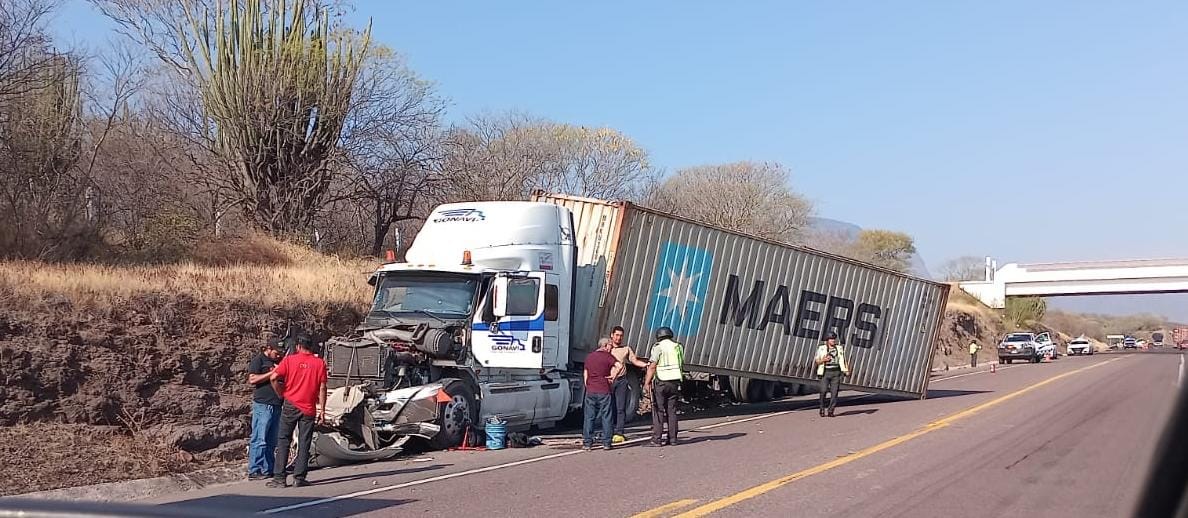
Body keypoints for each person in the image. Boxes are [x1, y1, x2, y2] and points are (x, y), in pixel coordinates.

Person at [266, 333, 327, 488]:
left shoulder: (289, 360)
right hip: (308, 408)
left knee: (284, 440)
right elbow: (322, 387)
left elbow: (274, 377)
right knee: (304, 442)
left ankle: (279, 477)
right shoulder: (319, 363)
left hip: (290, 404)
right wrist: (322, 410)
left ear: (298, 346)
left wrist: (280, 393)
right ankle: (299, 478)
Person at [246, 339, 284, 480]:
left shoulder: (280, 361)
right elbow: (253, 379)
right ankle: (254, 469)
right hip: (263, 404)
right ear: (268, 348)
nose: (278, 355)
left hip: (277, 403)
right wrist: (272, 373)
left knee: (272, 440)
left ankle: (268, 468)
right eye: (276, 352)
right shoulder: (259, 360)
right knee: (259, 438)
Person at [608, 325, 649, 443]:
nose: (618, 338)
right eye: (616, 335)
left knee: (621, 407)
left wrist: (646, 365)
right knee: (609, 407)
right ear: (612, 335)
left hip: (621, 381)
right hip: (608, 380)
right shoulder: (607, 348)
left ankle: (619, 431)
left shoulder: (626, 349)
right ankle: (608, 431)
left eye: (621, 336)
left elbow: (634, 361)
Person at [644, 327, 684, 447]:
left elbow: (652, 366)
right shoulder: (678, 346)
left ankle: (657, 439)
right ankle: (673, 439)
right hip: (675, 382)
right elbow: (681, 363)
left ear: (659, 336)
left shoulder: (658, 347)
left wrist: (647, 382)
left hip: (661, 382)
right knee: (672, 411)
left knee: (659, 410)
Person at [583, 338, 622, 451]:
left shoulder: (589, 357)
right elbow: (619, 366)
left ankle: (587, 443)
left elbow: (585, 373)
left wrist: (587, 385)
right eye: (610, 345)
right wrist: (613, 377)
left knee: (589, 417)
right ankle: (606, 443)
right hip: (604, 390)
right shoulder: (608, 357)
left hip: (591, 390)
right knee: (606, 416)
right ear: (605, 345)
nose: (612, 347)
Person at [814, 331, 849, 418]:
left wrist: (846, 370)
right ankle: (822, 408)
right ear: (827, 340)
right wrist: (824, 360)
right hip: (825, 372)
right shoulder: (821, 348)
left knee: (834, 392)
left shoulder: (839, 348)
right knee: (823, 391)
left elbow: (843, 359)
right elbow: (817, 361)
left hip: (836, 373)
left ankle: (831, 410)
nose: (833, 340)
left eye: (834, 339)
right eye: (831, 339)